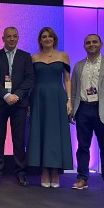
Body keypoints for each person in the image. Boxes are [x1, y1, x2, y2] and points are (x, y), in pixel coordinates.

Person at [71, 34, 104, 193]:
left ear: (101, 44)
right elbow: (74, 91)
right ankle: (82, 178)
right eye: (88, 42)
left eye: (94, 42)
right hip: (83, 109)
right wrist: (72, 110)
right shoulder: (78, 66)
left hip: (103, 109)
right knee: (82, 146)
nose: (91, 44)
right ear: (84, 46)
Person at [26, 27, 73, 187]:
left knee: (55, 135)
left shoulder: (63, 56)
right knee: (41, 134)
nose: (47, 39)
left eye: (50, 36)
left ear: (54, 39)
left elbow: (67, 79)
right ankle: (44, 171)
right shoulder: (34, 57)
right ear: (40, 40)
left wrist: (69, 100)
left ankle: (55, 172)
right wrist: (28, 102)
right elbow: (31, 81)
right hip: (38, 98)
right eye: (44, 37)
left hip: (57, 98)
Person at [0, 27, 34, 186]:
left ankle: (20, 173)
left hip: (19, 103)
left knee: (19, 139)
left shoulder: (25, 56)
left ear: (18, 38)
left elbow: (29, 79)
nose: (12, 39)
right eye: (8, 36)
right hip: (0, 102)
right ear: (3, 38)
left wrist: (17, 95)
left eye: (15, 36)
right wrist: (6, 95)